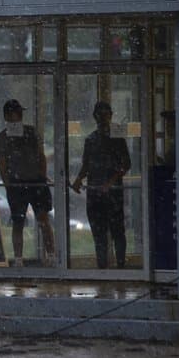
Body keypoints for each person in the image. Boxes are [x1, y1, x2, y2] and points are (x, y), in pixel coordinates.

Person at [0, 99, 55, 267]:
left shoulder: (29, 132)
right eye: (16, 113)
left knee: (43, 220)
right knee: (19, 222)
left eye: (20, 114)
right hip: (18, 184)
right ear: (7, 116)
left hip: (35, 182)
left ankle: (51, 256)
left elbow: (41, 155)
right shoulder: (3, 137)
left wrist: (41, 177)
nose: (19, 117)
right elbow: (2, 164)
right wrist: (9, 185)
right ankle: (19, 259)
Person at [71, 101, 131, 269]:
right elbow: (87, 164)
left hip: (112, 193)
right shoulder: (91, 139)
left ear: (111, 115)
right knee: (99, 233)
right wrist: (78, 180)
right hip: (96, 192)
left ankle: (120, 266)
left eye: (105, 114)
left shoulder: (117, 138)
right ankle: (103, 267)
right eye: (100, 115)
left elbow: (126, 164)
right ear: (95, 117)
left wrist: (110, 182)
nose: (103, 119)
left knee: (117, 230)